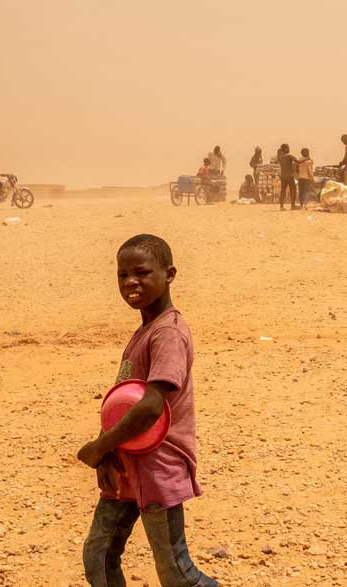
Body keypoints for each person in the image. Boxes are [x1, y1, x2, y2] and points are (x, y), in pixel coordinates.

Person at [77, 234, 217, 587]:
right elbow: (122, 402)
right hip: (126, 465)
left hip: (157, 467)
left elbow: (151, 406)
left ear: (169, 274)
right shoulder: (146, 330)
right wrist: (108, 451)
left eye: (141, 272)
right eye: (122, 275)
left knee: (176, 572)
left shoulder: (167, 333)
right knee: (100, 554)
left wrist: (98, 448)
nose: (130, 282)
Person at [277, 144, 299, 211]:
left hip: (283, 176)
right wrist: (306, 158)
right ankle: (293, 206)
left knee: (283, 191)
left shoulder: (280, 157)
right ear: (285, 149)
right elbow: (297, 161)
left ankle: (281, 206)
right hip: (289, 176)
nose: (289, 149)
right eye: (287, 148)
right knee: (293, 190)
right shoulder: (289, 155)